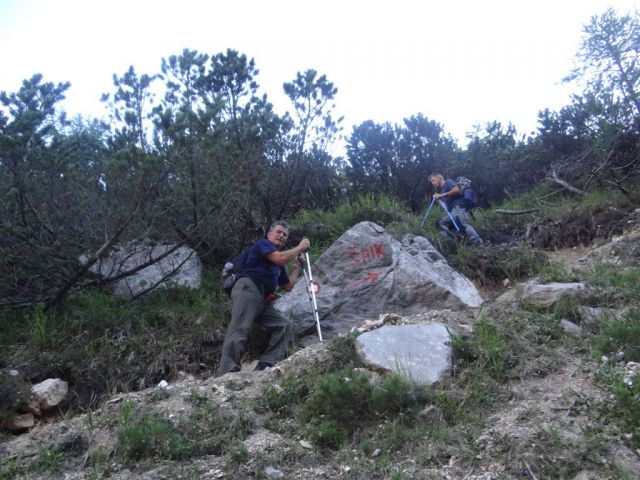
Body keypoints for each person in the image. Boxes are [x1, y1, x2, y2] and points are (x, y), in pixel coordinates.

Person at [216, 221, 310, 376]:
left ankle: (265, 365)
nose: (281, 236)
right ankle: (227, 370)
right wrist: (300, 247)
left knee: (283, 326)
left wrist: (296, 267)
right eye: (278, 232)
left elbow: (288, 286)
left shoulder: (278, 264)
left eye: (285, 235)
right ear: (269, 234)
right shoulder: (263, 245)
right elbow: (279, 258)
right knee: (240, 327)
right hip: (248, 288)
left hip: (262, 299)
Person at [428, 173, 483, 246]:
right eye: (432, 182)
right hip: (453, 212)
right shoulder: (443, 190)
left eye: (433, 180)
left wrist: (441, 195)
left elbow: (456, 190)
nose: (433, 183)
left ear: (439, 178)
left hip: (458, 207)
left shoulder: (448, 182)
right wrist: (438, 197)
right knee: (440, 222)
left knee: (464, 224)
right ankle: (455, 240)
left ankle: (478, 243)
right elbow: (446, 205)